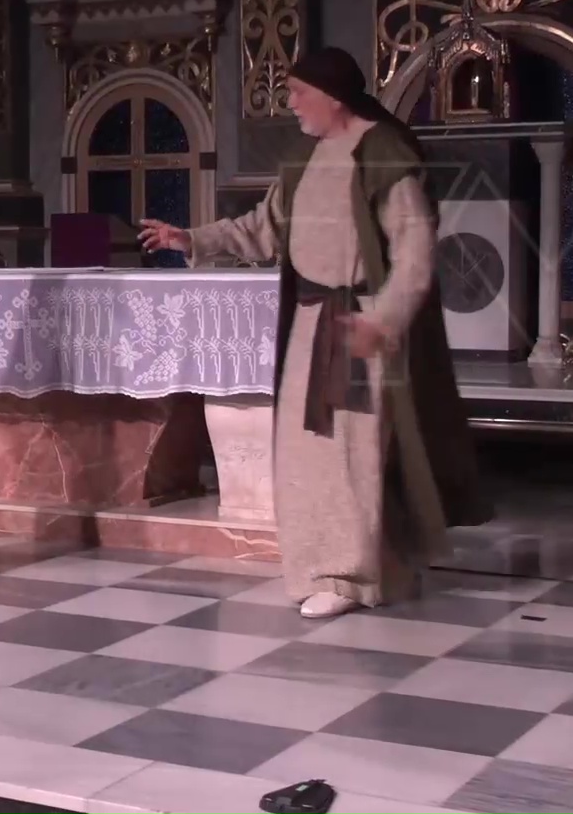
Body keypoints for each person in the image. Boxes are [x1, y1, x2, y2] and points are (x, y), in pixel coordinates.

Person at [138, 47, 491, 618]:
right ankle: (332, 568)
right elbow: (264, 228)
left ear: (331, 95)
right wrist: (193, 240)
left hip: (355, 325)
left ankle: (347, 577)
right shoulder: (306, 161)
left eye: (300, 92)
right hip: (309, 323)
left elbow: (415, 249)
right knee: (306, 456)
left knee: (349, 456)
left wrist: (384, 319)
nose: (292, 103)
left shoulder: (382, 153)